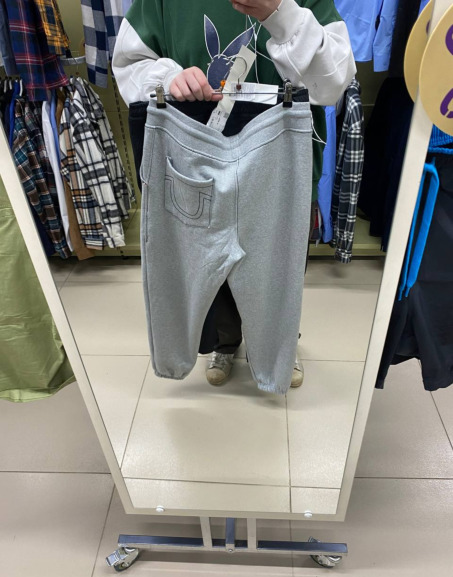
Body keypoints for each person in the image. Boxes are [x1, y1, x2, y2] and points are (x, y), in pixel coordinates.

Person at [112, 0, 355, 389]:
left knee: (279, 269)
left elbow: (335, 80)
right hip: (190, 144)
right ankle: (226, 340)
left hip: (281, 143)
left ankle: (278, 347)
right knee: (204, 259)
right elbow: (128, 61)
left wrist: (279, 13)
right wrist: (167, 77)